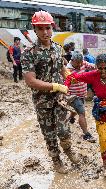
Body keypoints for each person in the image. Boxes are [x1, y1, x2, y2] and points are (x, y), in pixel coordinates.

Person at [21, 10, 79, 174]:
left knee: (63, 129)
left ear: (52, 27)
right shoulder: (29, 53)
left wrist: (68, 75)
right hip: (42, 101)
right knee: (49, 134)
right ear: (35, 29)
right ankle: (56, 161)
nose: (45, 32)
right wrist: (55, 86)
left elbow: (61, 67)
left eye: (48, 28)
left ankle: (69, 151)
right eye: (41, 29)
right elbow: (30, 81)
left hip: (60, 99)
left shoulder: (58, 48)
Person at [65, 54, 106, 177]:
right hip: (102, 113)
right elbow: (74, 77)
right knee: (104, 139)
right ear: (96, 67)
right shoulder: (93, 75)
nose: (103, 71)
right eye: (100, 68)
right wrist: (65, 87)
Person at [66, 51, 96, 142]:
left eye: (81, 62)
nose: (80, 65)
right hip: (73, 95)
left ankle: (70, 118)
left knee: (76, 110)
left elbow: (93, 66)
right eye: (77, 63)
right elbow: (70, 81)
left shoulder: (82, 62)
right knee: (82, 113)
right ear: (72, 60)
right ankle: (86, 134)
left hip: (82, 94)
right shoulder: (68, 70)